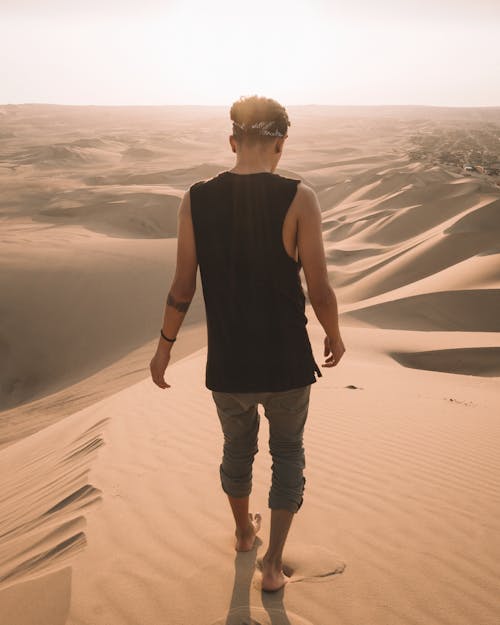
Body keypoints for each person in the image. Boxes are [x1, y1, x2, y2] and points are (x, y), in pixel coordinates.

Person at [150, 94, 346, 592]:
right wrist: (335, 334)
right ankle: (274, 564)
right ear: (279, 144)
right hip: (285, 363)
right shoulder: (300, 197)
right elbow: (319, 287)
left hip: (230, 365)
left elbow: (182, 287)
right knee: (288, 453)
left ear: (233, 141)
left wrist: (165, 347)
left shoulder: (195, 198)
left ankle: (243, 533)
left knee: (237, 451)